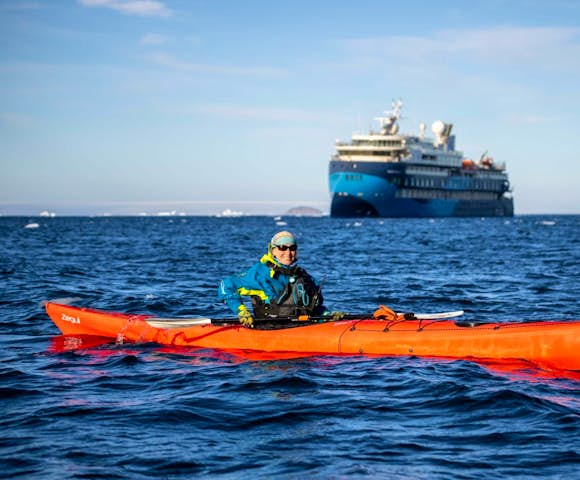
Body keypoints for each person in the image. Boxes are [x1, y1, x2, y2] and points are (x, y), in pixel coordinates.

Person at [218, 231, 331, 327]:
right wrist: (241, 311)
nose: (288, 253)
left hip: (302, 327)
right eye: (282, 248)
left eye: (292, 248)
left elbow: (315, 307)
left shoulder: (303, 277)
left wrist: (327, 315)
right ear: (273, 251)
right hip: (270, 329)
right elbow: (226, 285)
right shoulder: (260, 274)